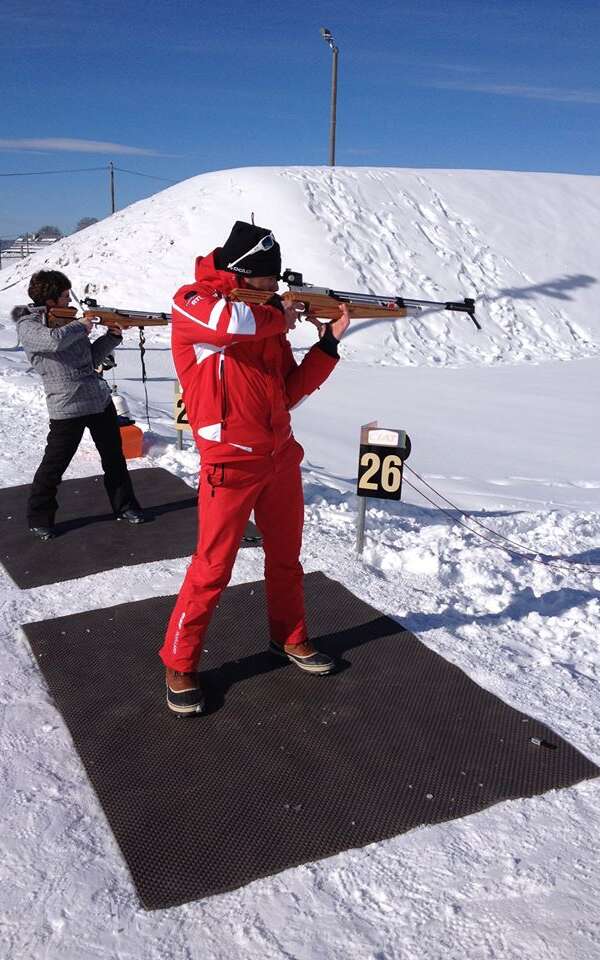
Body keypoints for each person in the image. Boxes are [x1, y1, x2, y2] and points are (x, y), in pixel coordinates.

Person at [159, 220, 350, 715]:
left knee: (286, 559)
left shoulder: (265, 319)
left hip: (279, 458)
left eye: (275, 282)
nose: (274, 289)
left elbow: (288, 392)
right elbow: (229, 324)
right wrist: (281, 316)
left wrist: (327, 344)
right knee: (212, 568)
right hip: (228, 463)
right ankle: (180, 662)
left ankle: (289, 638)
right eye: (266, 281)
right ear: (241, 272)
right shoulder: (195, 302)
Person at [12, 269, 144, 540]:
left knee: (114, 458)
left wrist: (113, 335)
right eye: (63, 296)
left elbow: (90, 358)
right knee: (54, 465)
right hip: (67, 405)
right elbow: (52, 342)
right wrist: (82, 324)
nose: (68, 301)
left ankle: (125, 507)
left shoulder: (68, 321)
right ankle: (39, 518)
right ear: (49, 301)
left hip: (98, 399)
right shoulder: (29, 325)